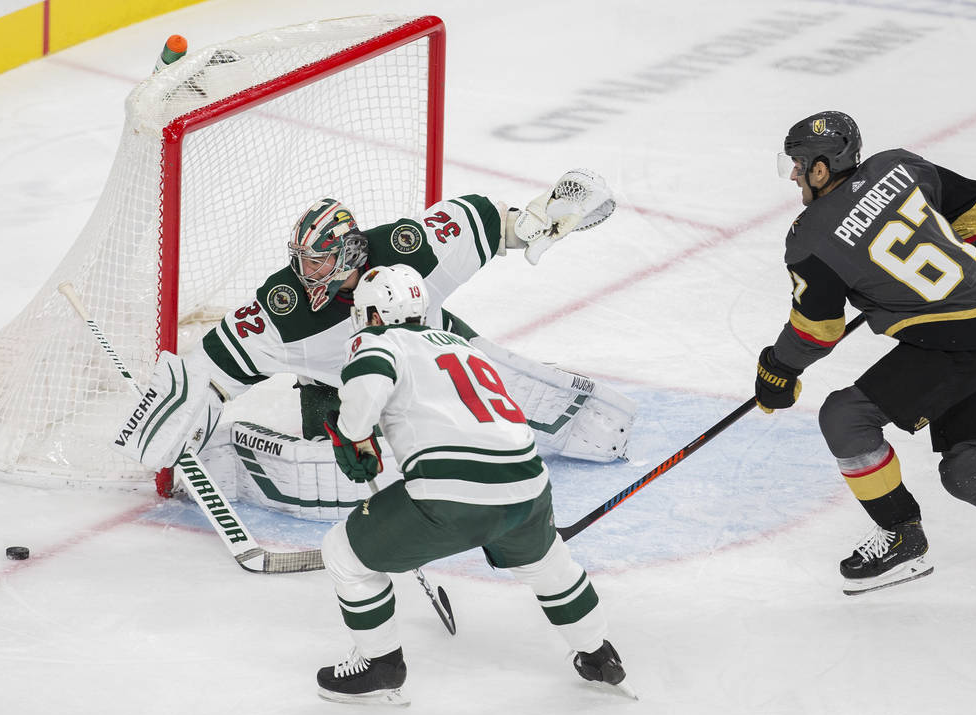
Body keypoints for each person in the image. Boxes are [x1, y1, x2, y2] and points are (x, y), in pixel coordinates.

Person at [109, 170, 637, 509]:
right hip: (338, 390)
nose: (304, 270)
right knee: (345, 482)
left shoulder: (408, 247)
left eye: (316, 260)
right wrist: (183, 406)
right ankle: (237, 463)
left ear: (346, 253)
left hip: (434, 356)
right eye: (301, 259)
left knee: (556, 409)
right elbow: (215, 365)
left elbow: (495, 225)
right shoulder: (284, 307)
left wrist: (543, 217)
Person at [315, 265, 631, 705]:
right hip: (530, 488)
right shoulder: (462, 345)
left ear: (373, 315)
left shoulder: (379, 341)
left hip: (450, 499)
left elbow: (366, 390)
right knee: (548, 564)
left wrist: (352, 433)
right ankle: (599, 654)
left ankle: (381, 665)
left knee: (343, 554)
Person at [756, 110, 976, 596]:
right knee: (972, 474)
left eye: (798, 163)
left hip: (953, 344)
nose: (794, 173)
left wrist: (777, 371)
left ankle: (902, 535)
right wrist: (944, 254)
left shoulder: (810, 238)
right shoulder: (898, 166)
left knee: (845, 418)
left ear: (821, 168)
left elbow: (818, 329)